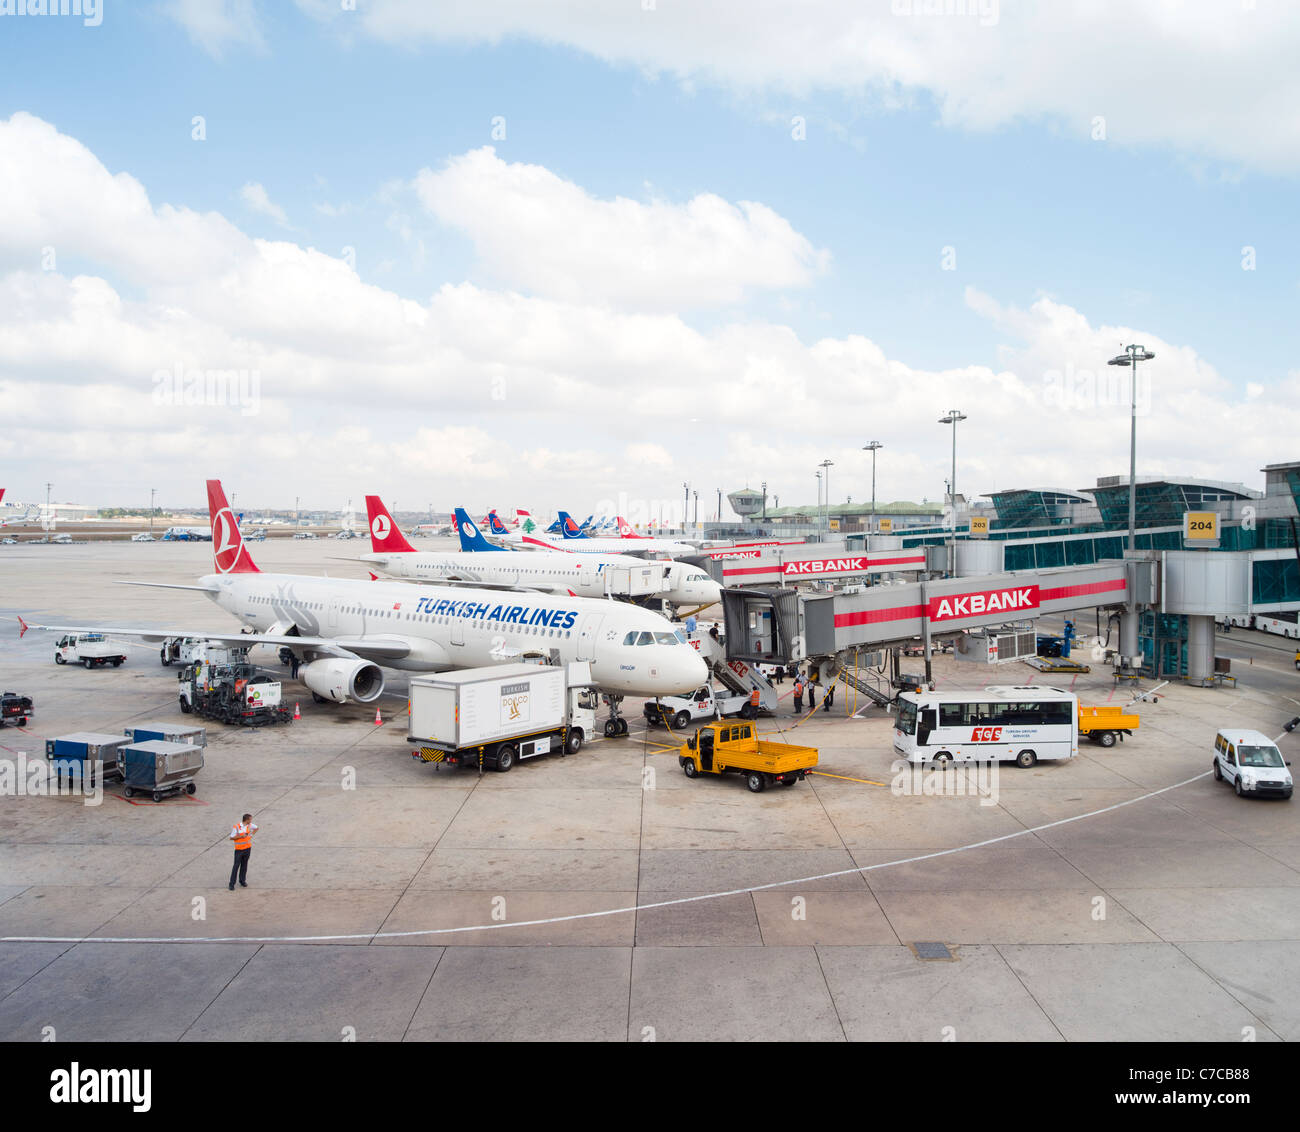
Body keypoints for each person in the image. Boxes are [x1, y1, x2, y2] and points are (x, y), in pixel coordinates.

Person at [229, 813, 258, 890]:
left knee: (244, 865)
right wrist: (241, 836)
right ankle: (231, 884)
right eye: (250, 819)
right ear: (247, 820)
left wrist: (251, 835)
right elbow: (231, 838)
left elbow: (257, 828)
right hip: (239, 850)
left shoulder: (249, 825)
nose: (251, 820)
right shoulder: (237, 827)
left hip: (247, 848)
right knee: (236, 866)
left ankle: (242, 881)